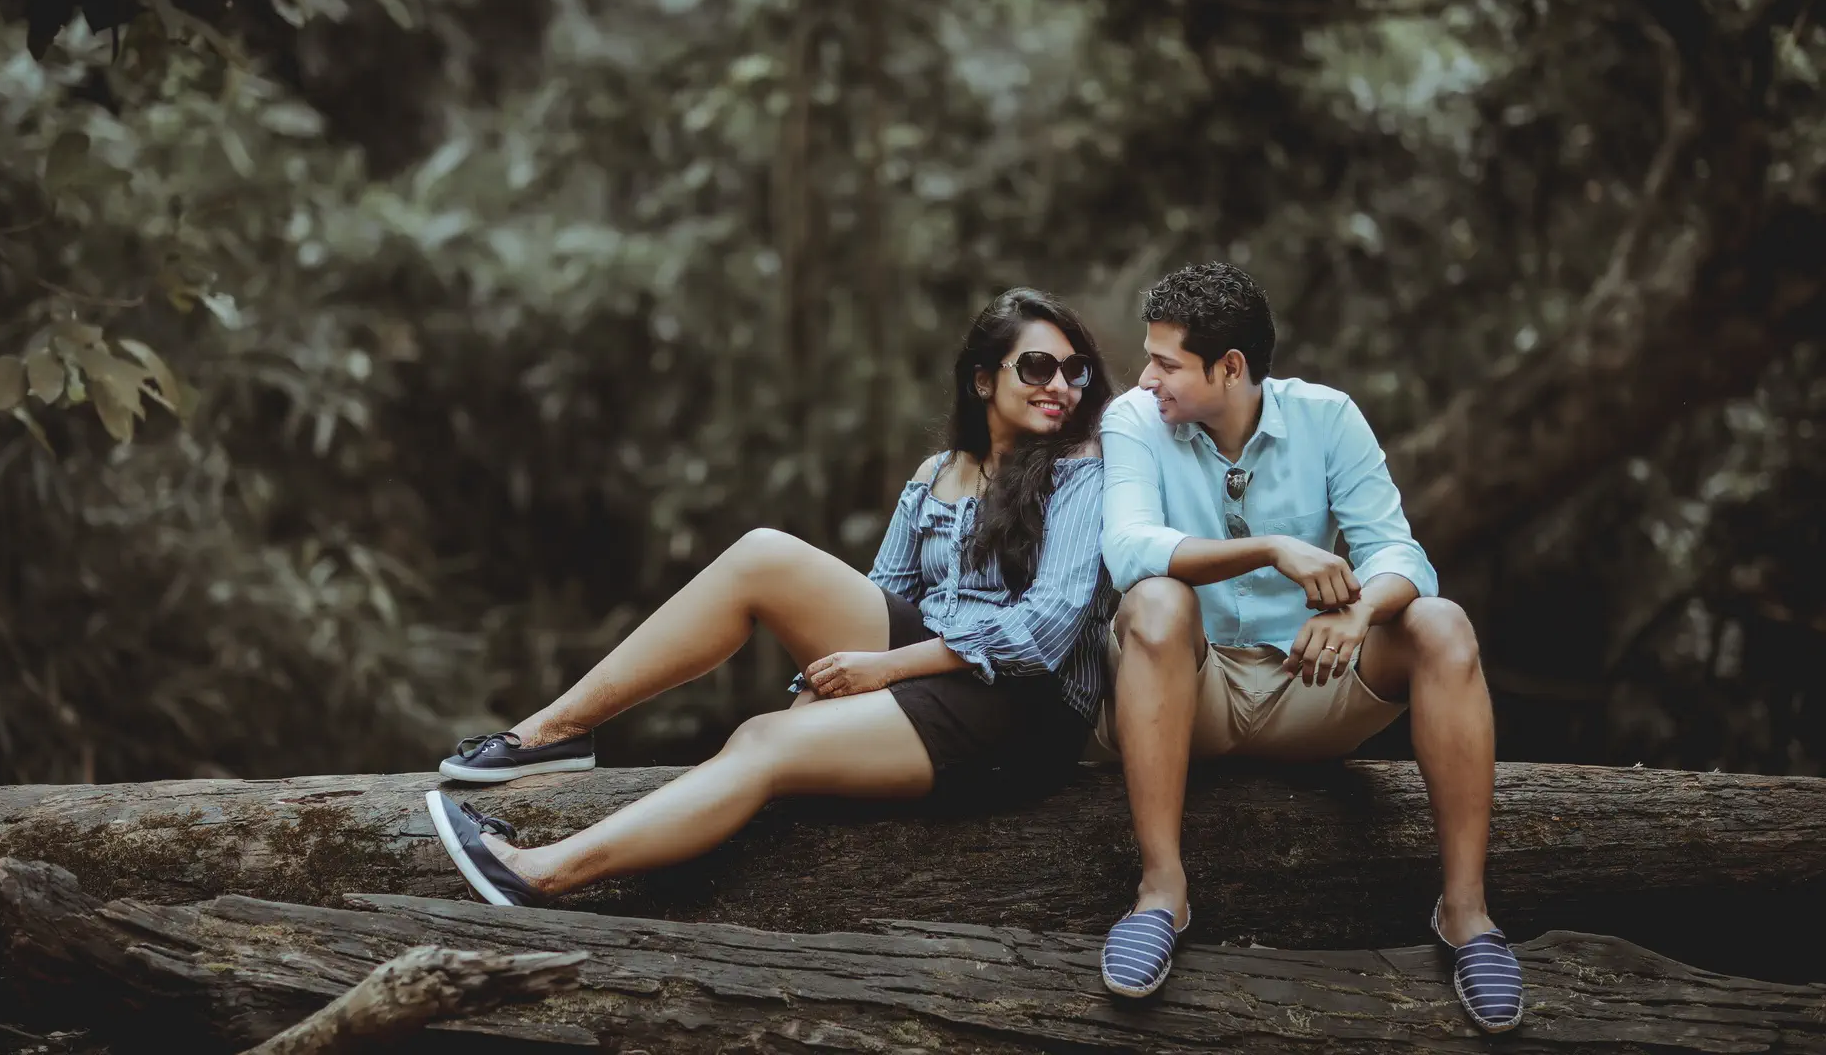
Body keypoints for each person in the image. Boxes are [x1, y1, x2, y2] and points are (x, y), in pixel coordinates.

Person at [425, 287, 1118, 908]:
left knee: (762, 741)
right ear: (981, 379)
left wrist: (882, 676)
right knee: (763, 553)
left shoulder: (1079, 470)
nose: (1060, 384)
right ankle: (551, 733)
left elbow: (1044, 630)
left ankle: (537, 872)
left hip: (1025, 712)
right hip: (932, 675)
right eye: (1037, 367)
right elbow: (880, 603)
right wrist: (828, 690)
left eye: (1073, 369)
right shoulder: (938, 473)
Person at [1093, 262, 1521, 1033]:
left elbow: (1401, 557)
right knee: (1153, 600)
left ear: (1231, 367)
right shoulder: (1133, 420)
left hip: (1313, 684)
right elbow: (1127, 549)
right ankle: (1161, 892)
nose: (1146, 377)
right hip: (1197, 693)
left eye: (1166, 362)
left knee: (1444, 623)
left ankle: (1466, 915)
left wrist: (1359, 617)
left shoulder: (1327, 417)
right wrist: (1273, 549)